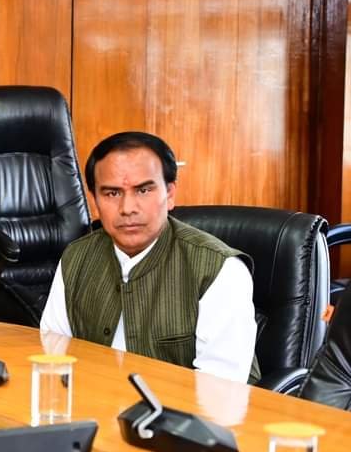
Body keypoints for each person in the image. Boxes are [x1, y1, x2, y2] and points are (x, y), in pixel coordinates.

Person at [39, 131, 258, 383]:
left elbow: (219, 389)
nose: (128, 208)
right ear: (94, 200)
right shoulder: (77, 257)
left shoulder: (221, 269)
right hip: (92, 403)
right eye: (112, 193)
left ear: (170, 194)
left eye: (143, 190)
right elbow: (53, 357)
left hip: (186, 408)